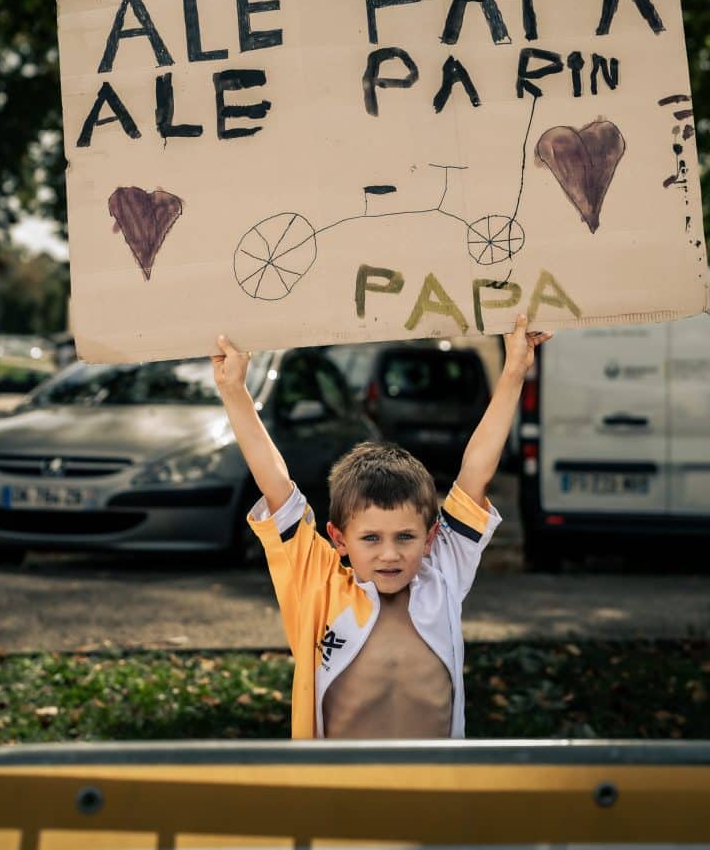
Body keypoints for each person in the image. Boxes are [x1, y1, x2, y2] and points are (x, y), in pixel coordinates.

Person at [212, 315, 550, 740]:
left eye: (405, 537)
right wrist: (234, 391)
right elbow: (277, 486)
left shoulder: (442, 572)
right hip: (340, 798)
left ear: (429, 539)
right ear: (338, 540)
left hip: (434, 795)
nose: (390, 554)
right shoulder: (317, 582)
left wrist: (515, 370)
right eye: (370, 538)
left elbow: (475, 472)